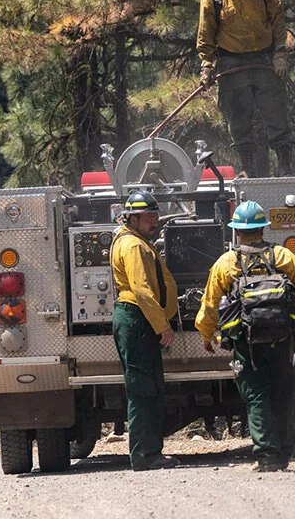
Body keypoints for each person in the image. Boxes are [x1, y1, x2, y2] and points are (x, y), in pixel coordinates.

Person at [195, 201, 295, 471]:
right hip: (283, 340)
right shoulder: (285, 257)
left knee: (256, 395)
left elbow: (210, 302)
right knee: (283, 393)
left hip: (246, 343)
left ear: (237, 231)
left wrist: (206, 334)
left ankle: (266, 456)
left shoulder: (227, 263)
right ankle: (284, 453)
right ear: (263, 228)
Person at [196, 0, 293, 177]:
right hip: (231, 64)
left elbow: (278, 19)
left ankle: (284, 167)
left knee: (276, 113)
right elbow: (205, 34)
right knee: (238, 121)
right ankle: (249, 169)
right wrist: (207, 66)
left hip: (264, 59)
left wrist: (281, 54)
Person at [111, 190, 181, 471]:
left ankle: (149, 452)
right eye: (149, 218)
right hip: (138, 319)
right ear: (133, 218)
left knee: (148, 387)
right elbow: (141, 290)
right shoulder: (135, 247)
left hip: (137, 319)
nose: (155, 222)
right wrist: (162, 326)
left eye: (156, 216)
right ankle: (145, 455)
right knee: (143, 390)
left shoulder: (132, 241)